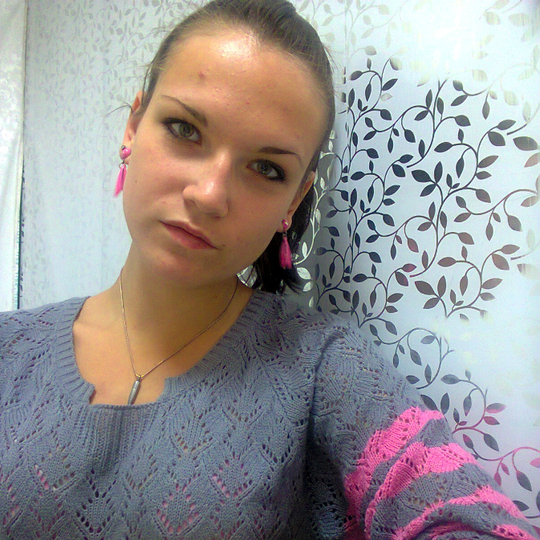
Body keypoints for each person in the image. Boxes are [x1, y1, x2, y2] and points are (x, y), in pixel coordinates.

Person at [0, 0, 537, 538]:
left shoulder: (322, 366)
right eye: (185, 129)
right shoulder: (11, 348)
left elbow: (456, 515)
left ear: (294, 199)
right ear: (133, 128)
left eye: (265, 168)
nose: (209, 194)